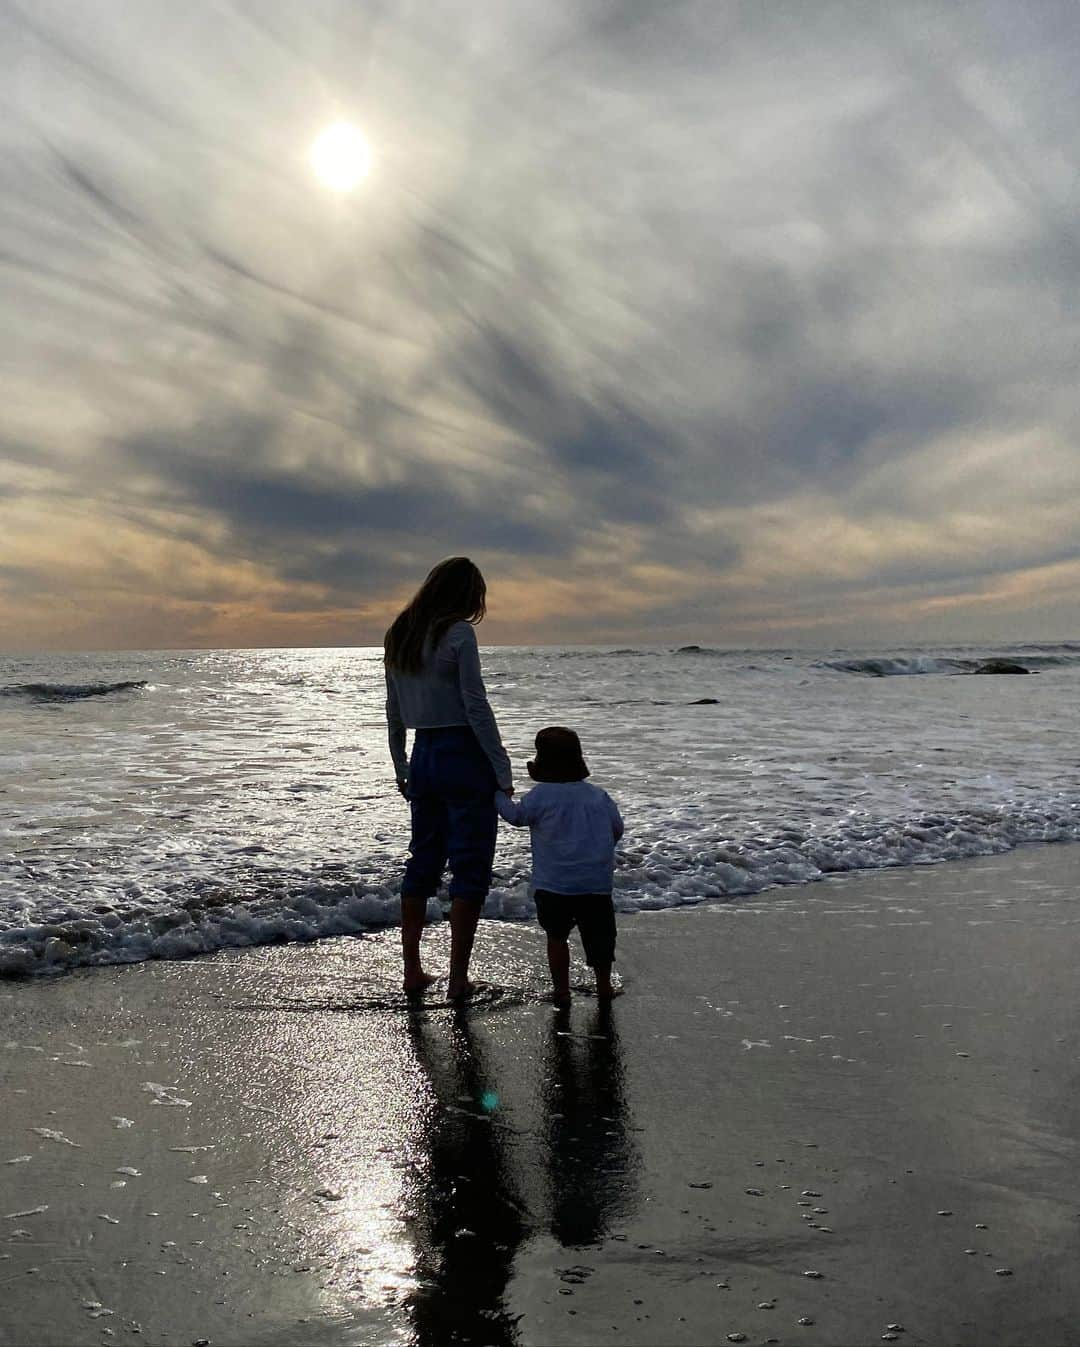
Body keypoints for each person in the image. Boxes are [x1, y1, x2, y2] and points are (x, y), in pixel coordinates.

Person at [384, 557, 513, 999]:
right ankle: (458, 978)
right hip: (463, 754)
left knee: (422, 862)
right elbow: (475, 704)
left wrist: (400, 765)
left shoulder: (400, 633)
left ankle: (413, 970)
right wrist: (502, 766)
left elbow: (394, 710)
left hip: (423, 754)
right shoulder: (458, 632)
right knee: (470, 866)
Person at [495, 726, 623, 1004]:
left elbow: (516, 817)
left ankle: (562, 991)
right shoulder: (597, 796)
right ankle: (603, 986)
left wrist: (498, 796)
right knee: (600, 939)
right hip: (595, 883)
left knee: (556, 936)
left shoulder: (540, 796)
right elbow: (617, 829)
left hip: (554, 884)